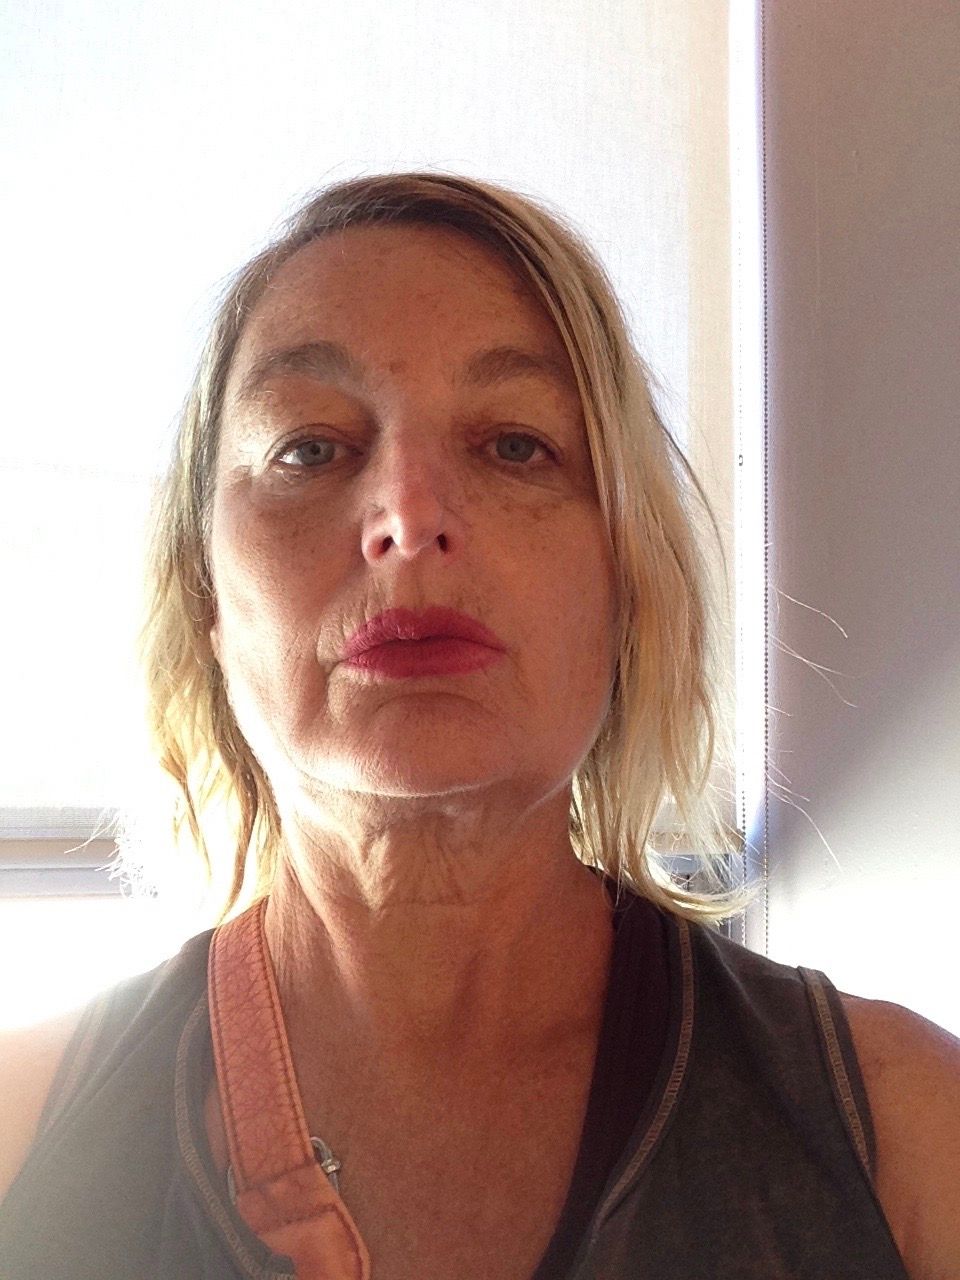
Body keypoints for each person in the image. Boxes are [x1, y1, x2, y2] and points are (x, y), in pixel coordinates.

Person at [0, 172, 957, 1280]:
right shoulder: (21, 1139)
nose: (409, 517)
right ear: (204, 591)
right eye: (308, 447)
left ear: (626, 584)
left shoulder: (912, 1140)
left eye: (514, 445)